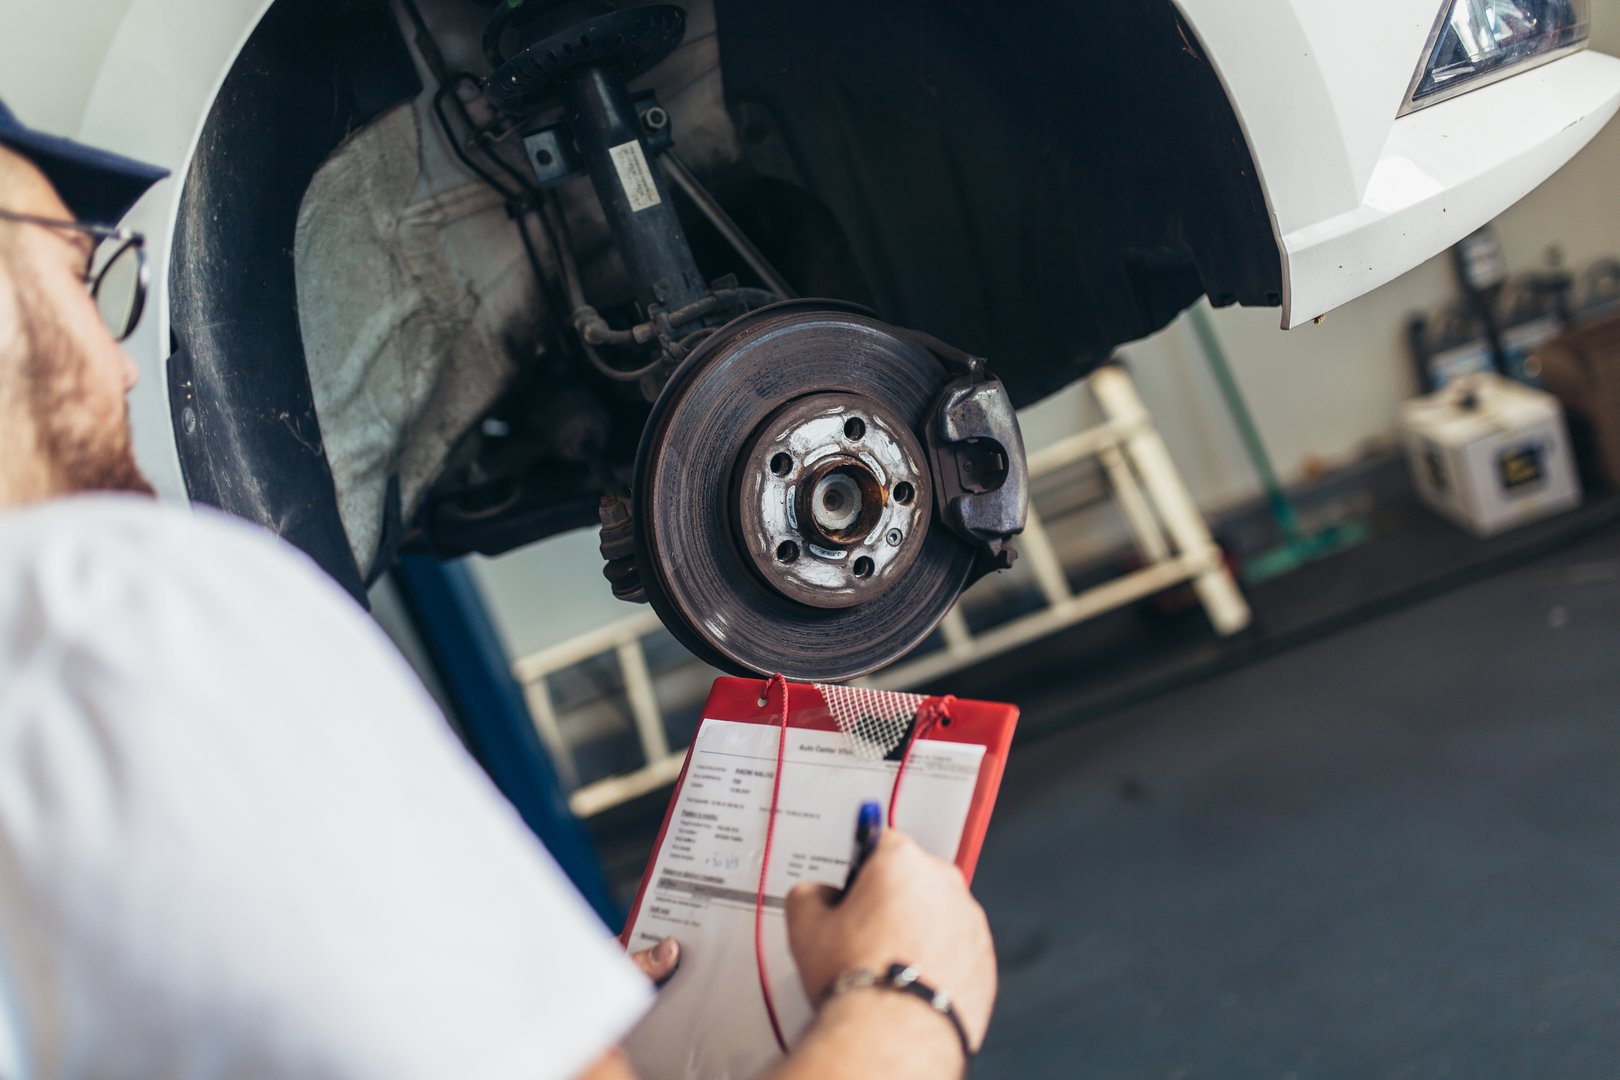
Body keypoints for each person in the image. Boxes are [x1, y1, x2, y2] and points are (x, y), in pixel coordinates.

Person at [0, 99, 997, 1079]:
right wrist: (907, 995)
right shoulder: (103, 612)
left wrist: (501, 1016)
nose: (121, 368)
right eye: (84, 284)